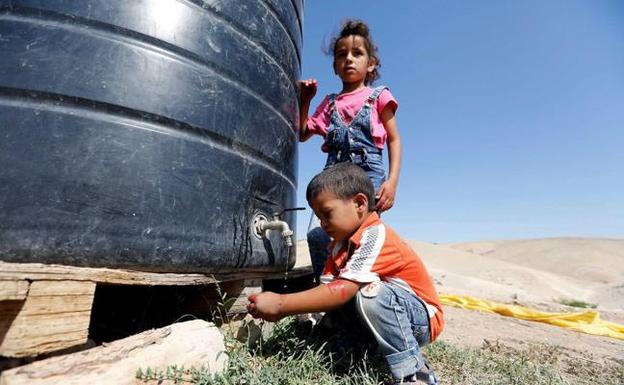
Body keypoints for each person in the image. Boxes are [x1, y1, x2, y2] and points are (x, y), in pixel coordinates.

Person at [247, 163, 443, 385]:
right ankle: (358, 343)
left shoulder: (375, 235)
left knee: (370, 292)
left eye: (327, 213)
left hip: (420, 319)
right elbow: (328, 291)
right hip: (388, 312)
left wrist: (282, 305)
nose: (322, 223)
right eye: (318, 216)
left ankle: (415, 371)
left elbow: (341, 291)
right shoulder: (339, 245)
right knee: (354, 300)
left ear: (359, 203)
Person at [299, 19, 402, 282]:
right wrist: (305, 101)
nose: (349, 59)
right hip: (331, 179)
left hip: (368, 179)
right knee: (319, 235)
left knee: (361, 236)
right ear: (335, 66)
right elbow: (302, 134)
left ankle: (358, 292)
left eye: (357, 53)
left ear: (371, 64)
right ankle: (325, 292)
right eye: (341, 54)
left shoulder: (379, 97)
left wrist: (391, 182)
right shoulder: (329, 103)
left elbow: (394, 140)